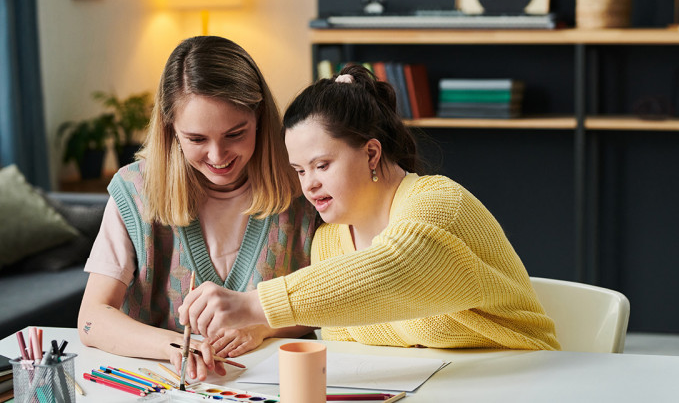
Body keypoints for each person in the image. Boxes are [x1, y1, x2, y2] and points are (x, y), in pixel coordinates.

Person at [178, 64, 560, 351]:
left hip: (530, 380)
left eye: (322, 165)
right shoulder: (328, 242)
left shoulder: (438, 203)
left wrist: (254, 305)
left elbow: (395, 269)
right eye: (300, 170)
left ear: (371, 153)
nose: (309, 184)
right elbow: (352, 355)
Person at [78, 36, 318, 381]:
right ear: (171, 129)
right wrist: (175, 346)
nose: (218, 156)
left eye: (235, 134)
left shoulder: (305, 184)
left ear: (259, 117)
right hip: (164, 385)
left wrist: (264, 326)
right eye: (197, 139)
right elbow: (91, 319)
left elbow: (339, 298)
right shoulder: (135, 190)